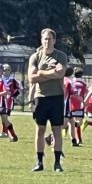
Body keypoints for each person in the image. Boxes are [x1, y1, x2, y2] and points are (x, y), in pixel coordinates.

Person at [27, 28, 69, 172]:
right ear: (41, 40)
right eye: (44, 39)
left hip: (56, 96)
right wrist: (51, 72)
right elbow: (31, 78)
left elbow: (60, 73)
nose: (47, 41)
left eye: (49, 39)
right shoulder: (35, 57)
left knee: (57, 130)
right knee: (40, 130)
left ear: (54, 40)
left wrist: (41, 72)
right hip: (41, 97)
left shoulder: (61, 56)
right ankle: (39, 162)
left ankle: (57, 163)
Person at [64, 66, 86, 147]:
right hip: (66, 105)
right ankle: (51, 137)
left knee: (72, 123)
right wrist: (82, 101)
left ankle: (74, 140)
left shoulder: (60, 79)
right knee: (63, 124)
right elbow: (74, 93)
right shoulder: (69, 82)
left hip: (66, 105)